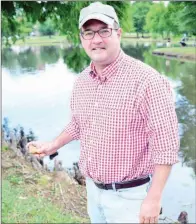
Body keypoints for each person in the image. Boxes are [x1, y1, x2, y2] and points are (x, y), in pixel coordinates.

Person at [27, 2, 179, 223]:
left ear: (118, 33)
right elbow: (78, 124)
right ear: (81, 38)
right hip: (93, 190)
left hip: (131, 198)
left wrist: (154, 199)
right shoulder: (82, 81)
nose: (96, 39)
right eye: (89, 32)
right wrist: (53, 145)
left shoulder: (148, 81)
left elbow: (166, 145)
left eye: (104, 31)